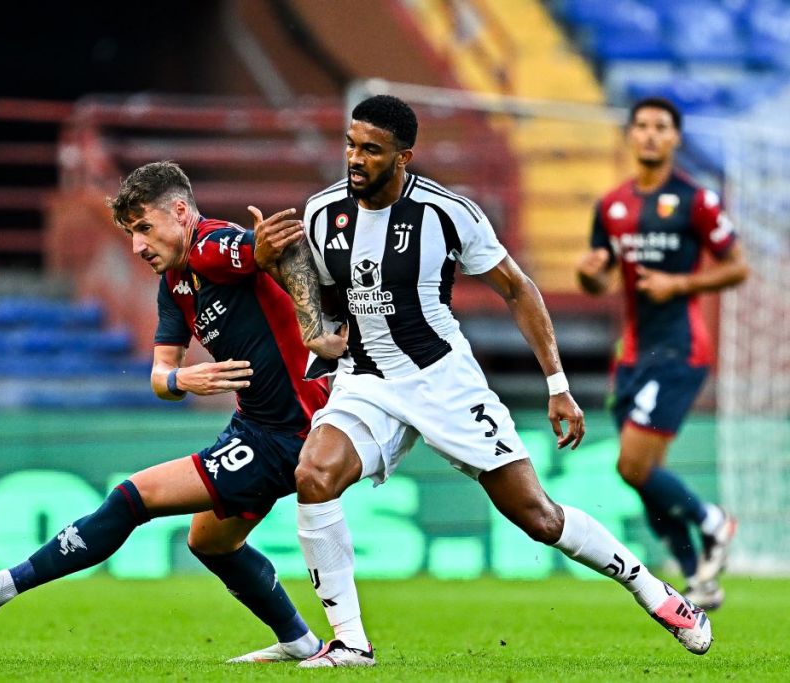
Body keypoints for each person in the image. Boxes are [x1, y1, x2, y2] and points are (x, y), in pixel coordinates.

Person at [254, 94, 713, 668]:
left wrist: (557, 385)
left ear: (403, 156)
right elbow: (322, 304)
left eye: (371, 149)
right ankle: (350, 642)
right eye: (351, 144)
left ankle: (653, 590)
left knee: (537, 517)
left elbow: (518, 289)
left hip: (443, 380)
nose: (355, 158)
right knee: (314, 475)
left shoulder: (449, 213)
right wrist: (276, 266)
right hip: (366, 379)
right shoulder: (323, 213)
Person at [0, 161, 346, 664]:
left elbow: (263, 251)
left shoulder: (209, 245)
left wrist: (289, 288)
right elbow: (160, 377)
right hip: (255, 428)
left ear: (179, 212)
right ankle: (300, 643)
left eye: (144, 228)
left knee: (133, 497)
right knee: (210, 542)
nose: (137, 246)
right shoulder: (174, 285)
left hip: (289, 434)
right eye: (131, 233)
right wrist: (183, 379)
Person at [577, 97, 748, 610]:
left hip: (680, 348)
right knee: (646, 476)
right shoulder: (612, 206)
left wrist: (680, 283)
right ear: (630, 135)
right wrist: (589, 274)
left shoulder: (696, 201)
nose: (650, 134)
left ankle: (713, 522)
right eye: (642, 126)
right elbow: (599, 279)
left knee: (632, 465)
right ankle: (698, 580)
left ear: (675, 138)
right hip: (633, 354)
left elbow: (737, 266)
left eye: (661, 127)